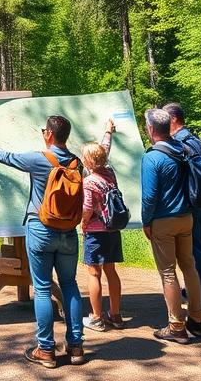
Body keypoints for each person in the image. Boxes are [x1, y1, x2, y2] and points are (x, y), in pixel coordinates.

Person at [0, 115, 86, 368]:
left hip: (41, 228)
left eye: (45, 130)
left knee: (43, 288)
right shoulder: (77, 163)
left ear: (49, 135)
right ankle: (76, 346)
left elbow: (9, 158)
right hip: (68, 232)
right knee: (69, 285)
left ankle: (46, 350)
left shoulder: (39, 158)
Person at [141, 108, 201, 344]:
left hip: (163, 220)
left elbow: (149, 197)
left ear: (150, 129)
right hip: (186, 217)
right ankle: (197, 321)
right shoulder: (183, 149)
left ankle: (176, 325)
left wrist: (146, 222)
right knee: (189, 266)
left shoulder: (152, 157)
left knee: (168, 272)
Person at [163, 102, 201, 305]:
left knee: (195, 247)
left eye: (165, 118)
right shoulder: (194, 139)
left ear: (173, 120)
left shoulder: (180, 142)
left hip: (192, 199)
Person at [80, 119, 125, 331]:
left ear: (88, 162)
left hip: (96, 233)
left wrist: (83, 223)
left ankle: (97, 318)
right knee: (111, 271)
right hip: (113, 230)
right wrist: (108, 132)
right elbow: (104, 149)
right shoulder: (110, 173)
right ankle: (115, 315)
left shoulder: (89, 182)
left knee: (94, 273)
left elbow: (87, 207)